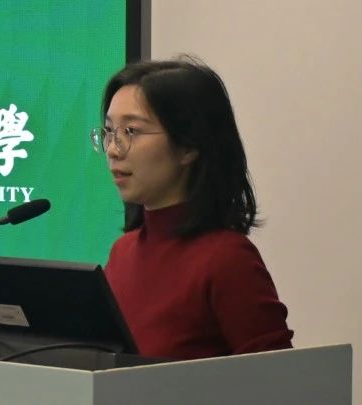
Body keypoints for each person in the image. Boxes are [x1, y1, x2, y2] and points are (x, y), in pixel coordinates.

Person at [92, 56, 292, 360]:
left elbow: (283, 378)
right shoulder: (122, 253)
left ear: (188, 146)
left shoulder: (227, 259)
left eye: (131, 131)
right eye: (109, 131)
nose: (113, 149)